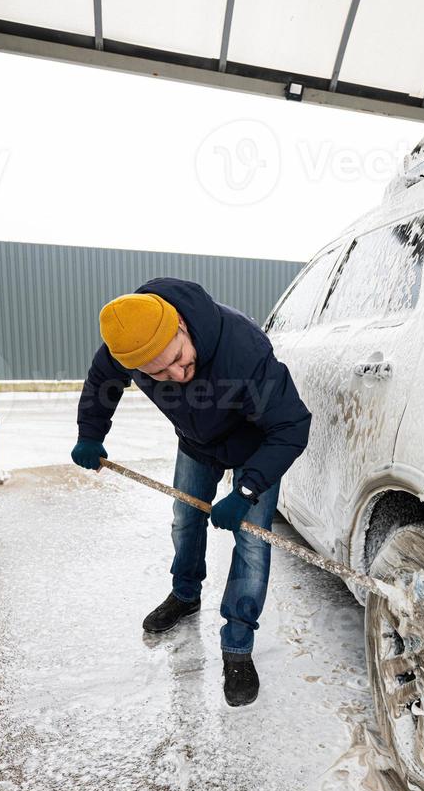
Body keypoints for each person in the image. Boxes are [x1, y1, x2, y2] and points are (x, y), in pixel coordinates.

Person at [70, 278, 311, 707]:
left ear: (181, 324)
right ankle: (185, 594)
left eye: (179, 360)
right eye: (158, 374)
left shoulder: (244, 350)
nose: (177, 376)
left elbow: (292, 426)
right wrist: (90, 433)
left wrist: (248, 489)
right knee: (185, 520)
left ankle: (237, 646)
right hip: (197, 443)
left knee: (252, 544)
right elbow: (101, 381)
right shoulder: (129, 343)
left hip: (255, 447)